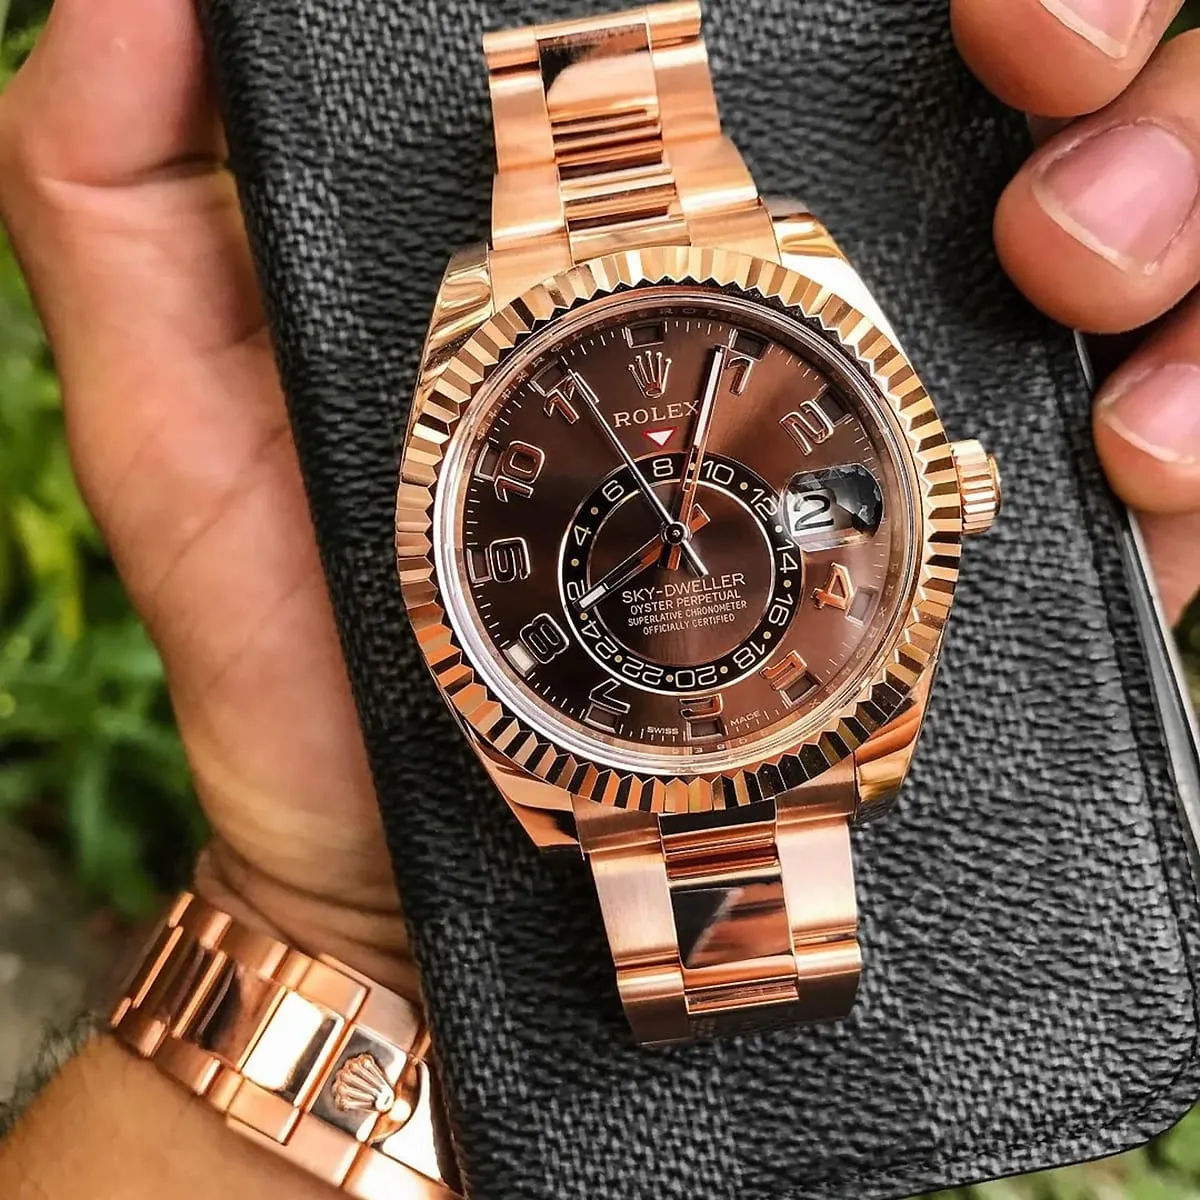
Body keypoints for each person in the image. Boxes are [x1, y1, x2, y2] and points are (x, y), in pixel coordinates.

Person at [0, 0, 1197, 1195]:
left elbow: (856, 508)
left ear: (953, 488)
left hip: (707, 679)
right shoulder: (738, 377)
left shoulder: (814, 390)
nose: (674, 545)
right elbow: (843, 506)